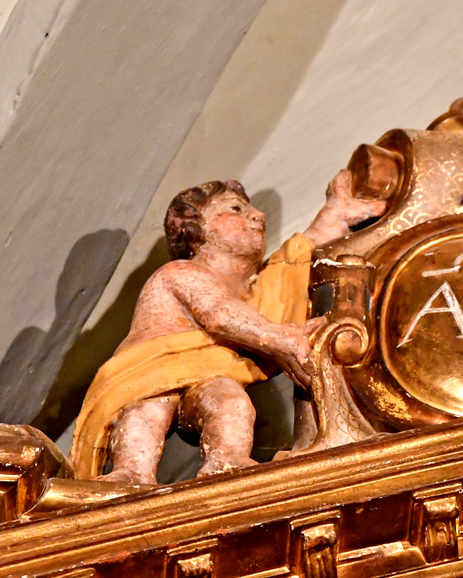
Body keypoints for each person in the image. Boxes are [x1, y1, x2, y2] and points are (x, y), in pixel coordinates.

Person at [69, 171, 384, 482]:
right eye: (235, 209)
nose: (258, 215)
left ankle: (227, 462)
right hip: (151, 374)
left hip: (208, 376)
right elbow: (220, 315)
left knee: (231, 402)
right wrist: (284, 338)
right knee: (144, 415)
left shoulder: (251, 289)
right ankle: (132, 475)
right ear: (193, 230)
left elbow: (290, 264)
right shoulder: (181, 272)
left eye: (251, 208)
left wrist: (336, 213)